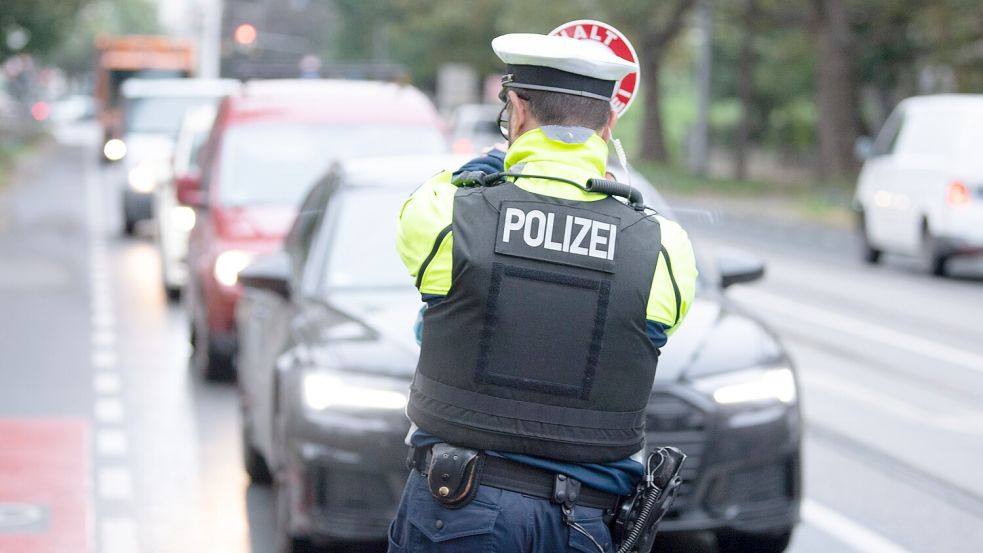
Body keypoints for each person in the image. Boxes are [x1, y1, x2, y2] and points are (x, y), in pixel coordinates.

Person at [390, 31, 698, 553]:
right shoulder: (664, 248)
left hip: (460, 514)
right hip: (588, 527)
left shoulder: (450, 214)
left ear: (517, 108)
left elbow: (419, 224)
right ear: (609, 123)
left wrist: (470, 174)